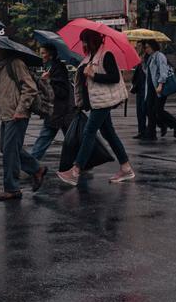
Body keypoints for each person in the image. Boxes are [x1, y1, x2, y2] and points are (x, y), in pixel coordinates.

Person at [56, 29, 135, 186]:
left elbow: (114, 78)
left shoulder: (107, 55)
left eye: (85, 40)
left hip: (103, 102)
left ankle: (75, 171)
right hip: (96, 103)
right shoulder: (91, 56)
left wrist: (93, 75)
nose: (84, 44)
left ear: (93, 40)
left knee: (89, 132)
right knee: (108, 133)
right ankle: (126, 168)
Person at [0, 47, 48, 201]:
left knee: (9, 151)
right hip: (6, 114)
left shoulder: (16, 63)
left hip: (17, 115)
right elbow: (7, 88)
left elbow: (30, 88)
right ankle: (37, 169)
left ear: (1, 50)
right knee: (6, 147)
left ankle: (12, 188)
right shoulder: (0, 67)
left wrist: (21, 110)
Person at [29, 44, 76, 162]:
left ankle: (31, 163)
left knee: (45, 137)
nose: (42, 56)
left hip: (59, 111)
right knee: (71, 139)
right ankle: (83, 161)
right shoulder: (50, 67)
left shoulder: (58, 68)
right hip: (58, 111)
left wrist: (48, 81)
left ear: (50, 55)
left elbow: (62, 91)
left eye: (44, 53)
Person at [144, 39, 176, 139]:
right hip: (152, 89)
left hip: (159, 88)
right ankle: (155, 131)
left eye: (147, 47)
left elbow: (163, 71)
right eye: (145, 47)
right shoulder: (150, 58)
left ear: (153, 46)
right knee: (150, 111)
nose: (146, 49)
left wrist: (160, 84)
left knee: (158, 110)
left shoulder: (159, 56)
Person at [130, 41, 150, 140]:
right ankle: (141, 131)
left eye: (139, 46)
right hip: (139, 88)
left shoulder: (147, 57)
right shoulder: (139, 57)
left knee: (144, 111)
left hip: (145, 88)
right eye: (136, 46)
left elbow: (148, 72)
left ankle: (146, 131)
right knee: (139, 112)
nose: (137, 47)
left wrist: (142, 63)